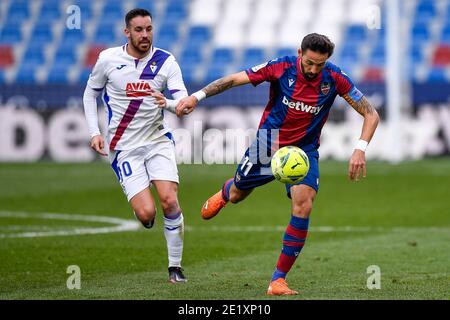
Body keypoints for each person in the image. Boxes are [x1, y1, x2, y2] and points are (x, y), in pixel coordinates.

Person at [165, 33, 380, 294]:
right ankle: (226, 192)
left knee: (304, 204)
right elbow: (234, 79)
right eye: (309, 63)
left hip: (304, 151)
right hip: (268, 143)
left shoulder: (335, 77)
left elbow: (370, 113)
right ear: (300, 53)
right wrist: (196, 97)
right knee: (239, 194)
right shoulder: (281, 66)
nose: (313, 70)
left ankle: (278, 279)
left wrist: (360, 149)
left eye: (319, 65)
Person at [82, 8, 188, 283]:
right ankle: (142, 208)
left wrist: (171, 104)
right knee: (147, 213)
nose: (145, 35)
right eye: (139, 30)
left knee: (169, 200)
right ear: (126, 32)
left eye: (149, 29)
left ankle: (175, 267)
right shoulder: (108, 59)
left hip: (157, 141)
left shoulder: (166, 61)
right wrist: (94, 132)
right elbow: (90, 93)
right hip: (123, 147)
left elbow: (183, 102)